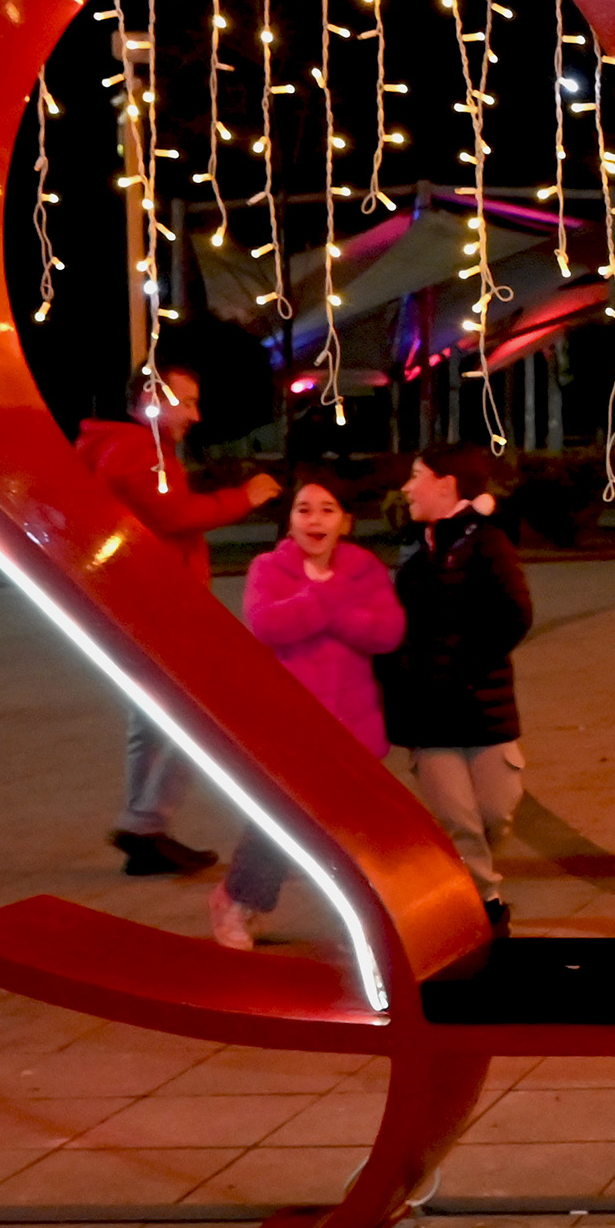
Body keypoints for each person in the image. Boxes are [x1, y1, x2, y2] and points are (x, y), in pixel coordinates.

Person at [76, 358, 278, 876]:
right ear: (150, 400)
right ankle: (145, 823)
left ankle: (146, 835)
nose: (195, 414)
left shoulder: (131, 448)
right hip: (156, 608)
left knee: (153, 722)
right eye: (186, 402)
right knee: (204, 716)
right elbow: (176, 515)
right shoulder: (135, 452)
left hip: (142, 605)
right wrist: (245, 496)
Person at [213, 474, 404, 950]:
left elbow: (387, 632)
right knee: (280, 821)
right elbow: (267, 625)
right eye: (303, 509)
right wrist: (330, 598)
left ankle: (368, 920)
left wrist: (325, 610)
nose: (314, 520)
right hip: (290, 724)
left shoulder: (365, 569)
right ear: (290, 520)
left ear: (346, 522)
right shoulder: (269, 568)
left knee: (353, 830)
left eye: (326, 510)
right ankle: (237, 901)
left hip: (352, 725)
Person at [380, 446, 533, 939]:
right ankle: (486, 907)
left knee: (495, 813)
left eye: (416, 476)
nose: (407, 488)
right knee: (459, 820)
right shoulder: (414, 549)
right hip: (429, 715)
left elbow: (516, 615)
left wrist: (463, 670)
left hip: (484, 707)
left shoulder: (487, 541)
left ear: (446, 484)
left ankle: (463, 885)